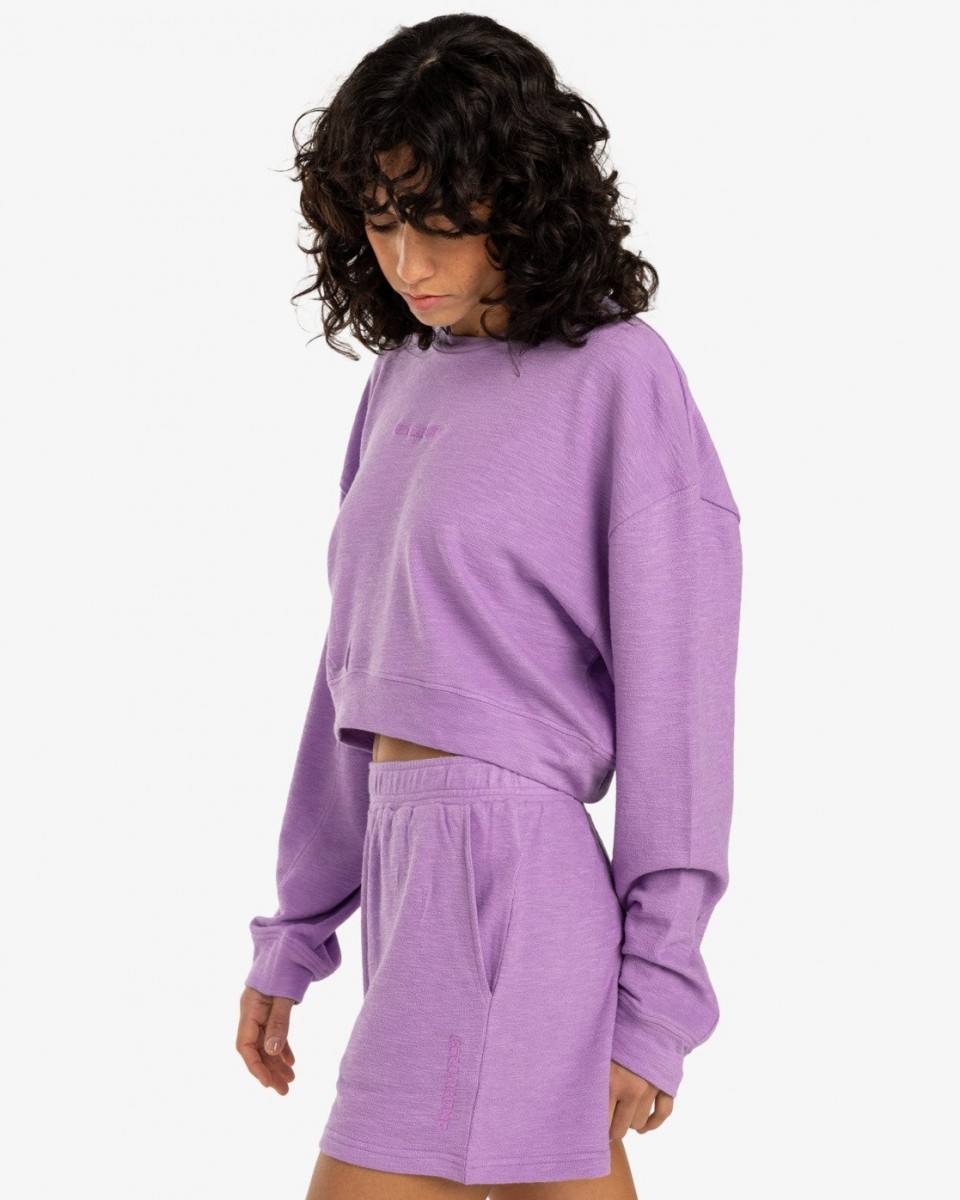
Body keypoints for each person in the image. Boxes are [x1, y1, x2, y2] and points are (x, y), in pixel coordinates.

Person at [235, 13, 743, 1200]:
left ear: (517, 198)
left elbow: (679, 706)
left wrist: (657, 997)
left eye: (439, 220)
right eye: (380, 219)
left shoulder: (620, 379)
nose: (407, 259)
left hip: (510, 873)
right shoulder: (402, 378)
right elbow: (352, 669)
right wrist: (296, 928)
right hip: (406, 869)